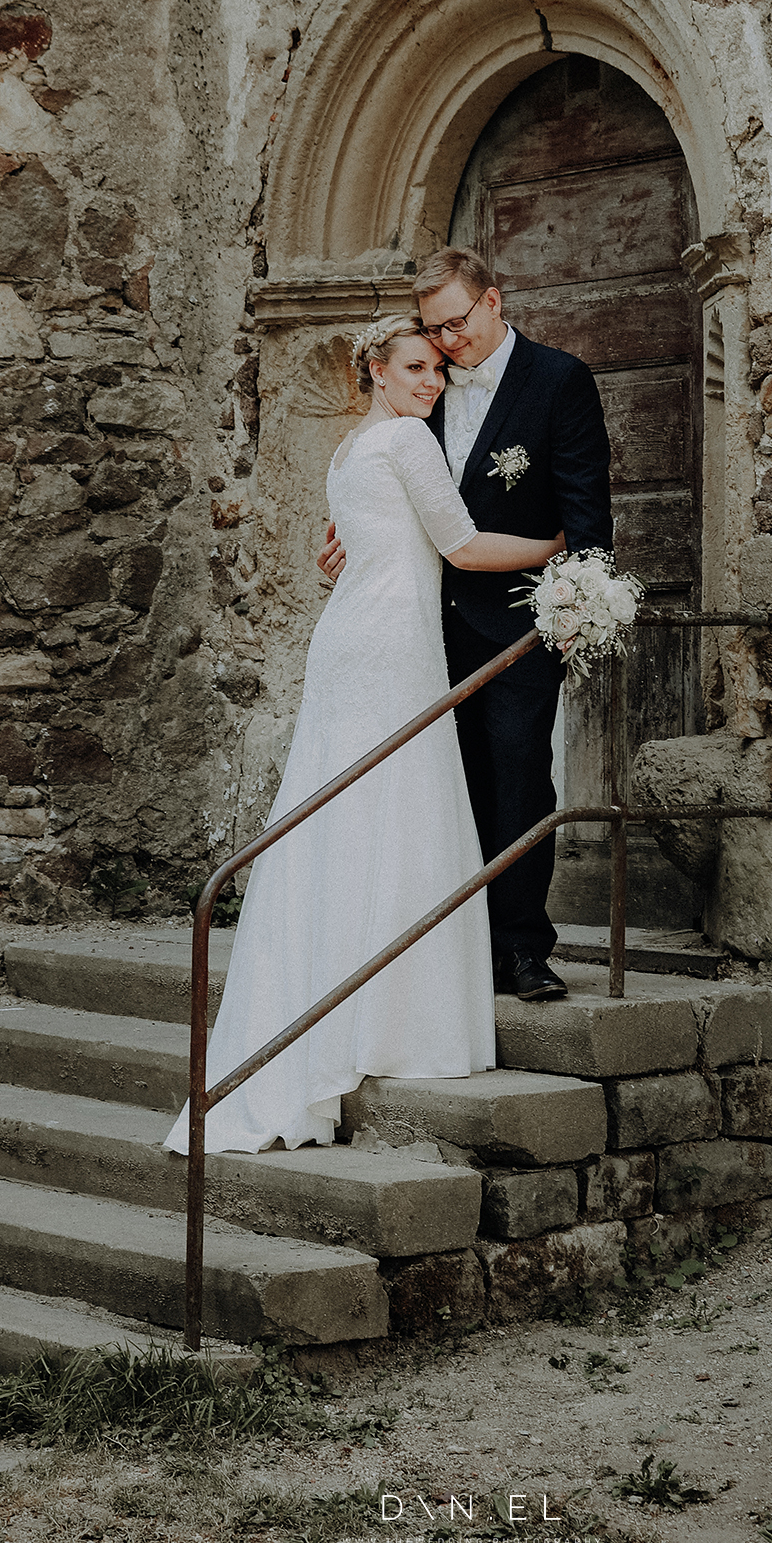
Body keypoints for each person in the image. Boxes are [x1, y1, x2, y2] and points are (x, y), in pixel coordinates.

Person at [165, 317, 565, 1157]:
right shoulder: (408, 441)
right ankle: (392, 1018)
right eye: (415, 367)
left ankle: (343, 988)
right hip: (389, 643)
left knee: (348, 804)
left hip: (351, 634)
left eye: (437, 371)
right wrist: (559, 545)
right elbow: (461, 547)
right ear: (376, 371)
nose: (431, 383)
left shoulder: (348, 449)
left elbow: (358, 547)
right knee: (399, 798)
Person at [320, 247, 613, 1004]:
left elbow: (585, 501)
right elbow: (392, 496)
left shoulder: (557, 381)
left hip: (516, 625)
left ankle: (521, 949)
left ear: (493, 301)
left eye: (456, 324)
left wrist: (581, 595)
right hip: (418, 625)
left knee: (517, 779)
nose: (447, 344)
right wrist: (354, 539)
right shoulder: (425, 385)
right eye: (433, 331)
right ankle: (446, 950)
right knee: (434, 789)